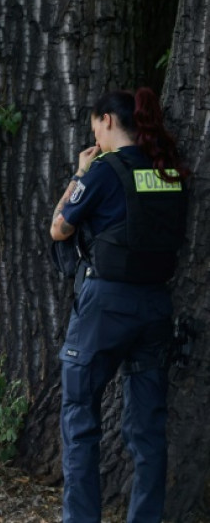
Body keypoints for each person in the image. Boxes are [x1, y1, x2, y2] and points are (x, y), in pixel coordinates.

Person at [49, 88, 189, 523]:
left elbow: (59, 228)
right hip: (155, 306)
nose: (94, 135)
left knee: (80, 418)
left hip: (105, 307)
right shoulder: (168, 171)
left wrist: (80, 172)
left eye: (95, 126)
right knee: (148, 430)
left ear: (107, 120)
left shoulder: (104, 170)